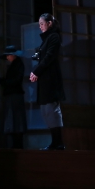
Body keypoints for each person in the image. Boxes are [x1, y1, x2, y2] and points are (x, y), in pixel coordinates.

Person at [29, 13, 66, 150]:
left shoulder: (54, 37)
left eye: (42, 24)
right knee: (45, 110)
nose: (40, 27)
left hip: (51, 78)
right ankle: (55, 142)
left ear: (49, 23)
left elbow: (49, 57)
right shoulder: (46, 39)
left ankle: (58, 142)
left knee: (52, 110)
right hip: (44, 78)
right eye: (39, 24)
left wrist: (36, 71)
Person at [0, 45, 27, 149]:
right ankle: (14, 144)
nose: (7, 58)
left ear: (13, 55)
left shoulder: (18, 65)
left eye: (8, 55)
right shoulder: (15, 65)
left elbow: (17, 80)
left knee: (16, 121)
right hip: (12, 95)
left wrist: (5, 82)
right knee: (14, 121)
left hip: (15, 95)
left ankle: (17, 145)